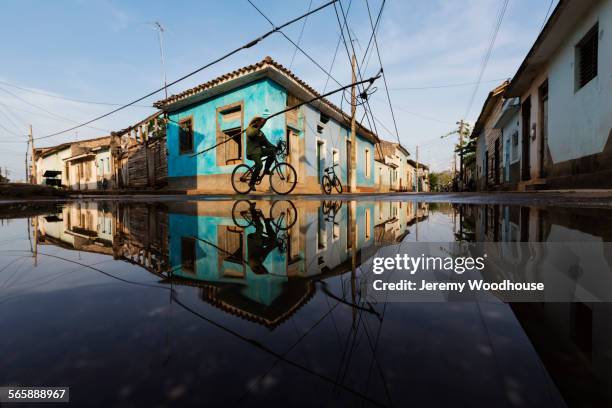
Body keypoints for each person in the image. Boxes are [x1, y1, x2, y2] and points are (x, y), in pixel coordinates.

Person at [246, 116, 276, 191]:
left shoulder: (260, 133)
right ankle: (251, 183)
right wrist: (258, 127)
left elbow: (267, 143)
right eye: (261, 123)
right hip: (252, 152)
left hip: (259, 151)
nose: (262, 125)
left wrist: (275, 147)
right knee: (259, 165)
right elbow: (250, 135)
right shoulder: (250, 128)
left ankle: (266, 170)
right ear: (256, 122)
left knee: (272, 151)